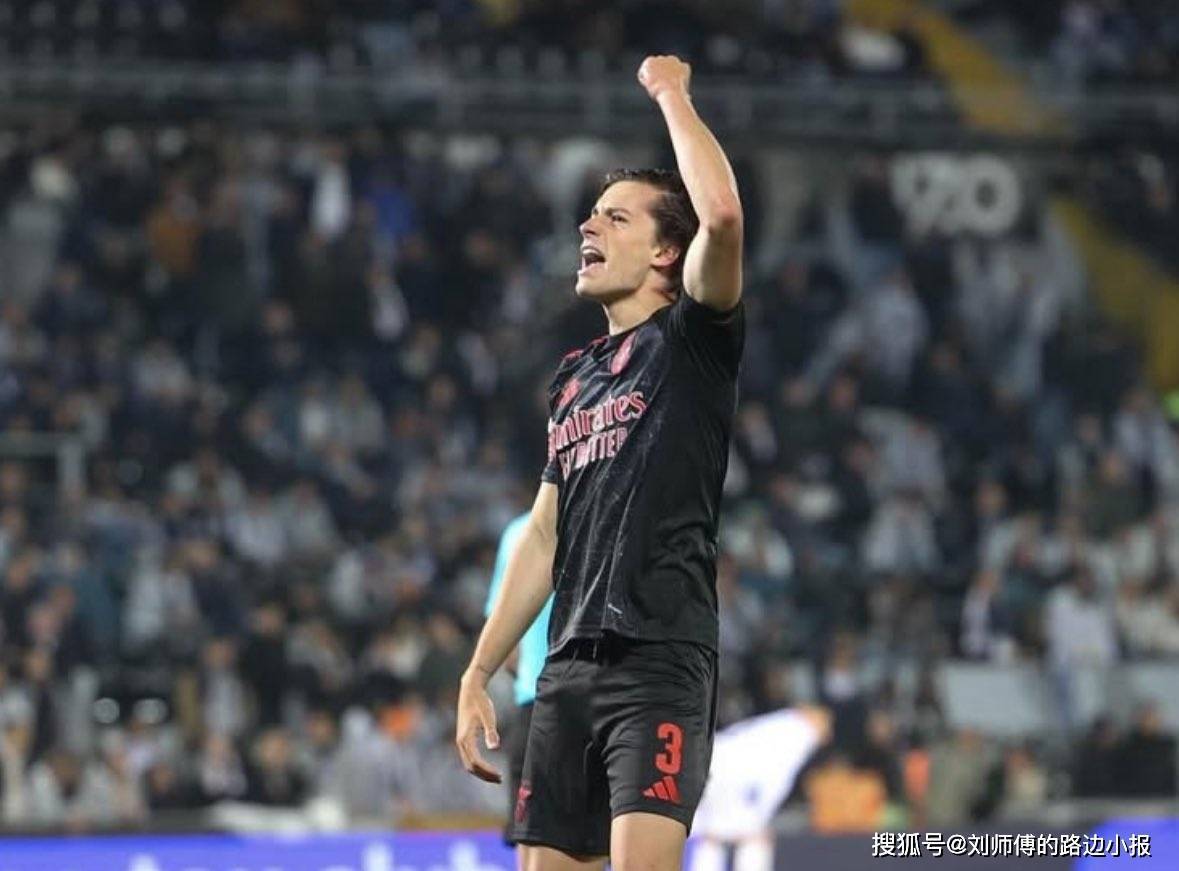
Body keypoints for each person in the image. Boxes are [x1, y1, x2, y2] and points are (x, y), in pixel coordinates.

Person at [456, 55, 745, 871]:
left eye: (616, 218)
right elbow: (543, 534)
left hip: (658, 660)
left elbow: (722, 216)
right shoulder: (572, 378)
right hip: (565, 670)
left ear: (665, 254)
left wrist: (671, 94)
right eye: (589, 216)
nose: (589, 228)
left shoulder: (693, 342)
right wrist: (478, 668)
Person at [483, 513, 555, 852]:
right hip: (610, 700)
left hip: (537, 701)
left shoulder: (518, 532)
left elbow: (503, 633)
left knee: (532, 840)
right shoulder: (613, 515)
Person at [690, 707, 831, 871]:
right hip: (728, 775)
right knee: (751, 838)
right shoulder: (799, 734)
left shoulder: (781, 722)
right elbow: (776, 780)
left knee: (711, 835)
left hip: (710, 763)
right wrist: (761, 816)